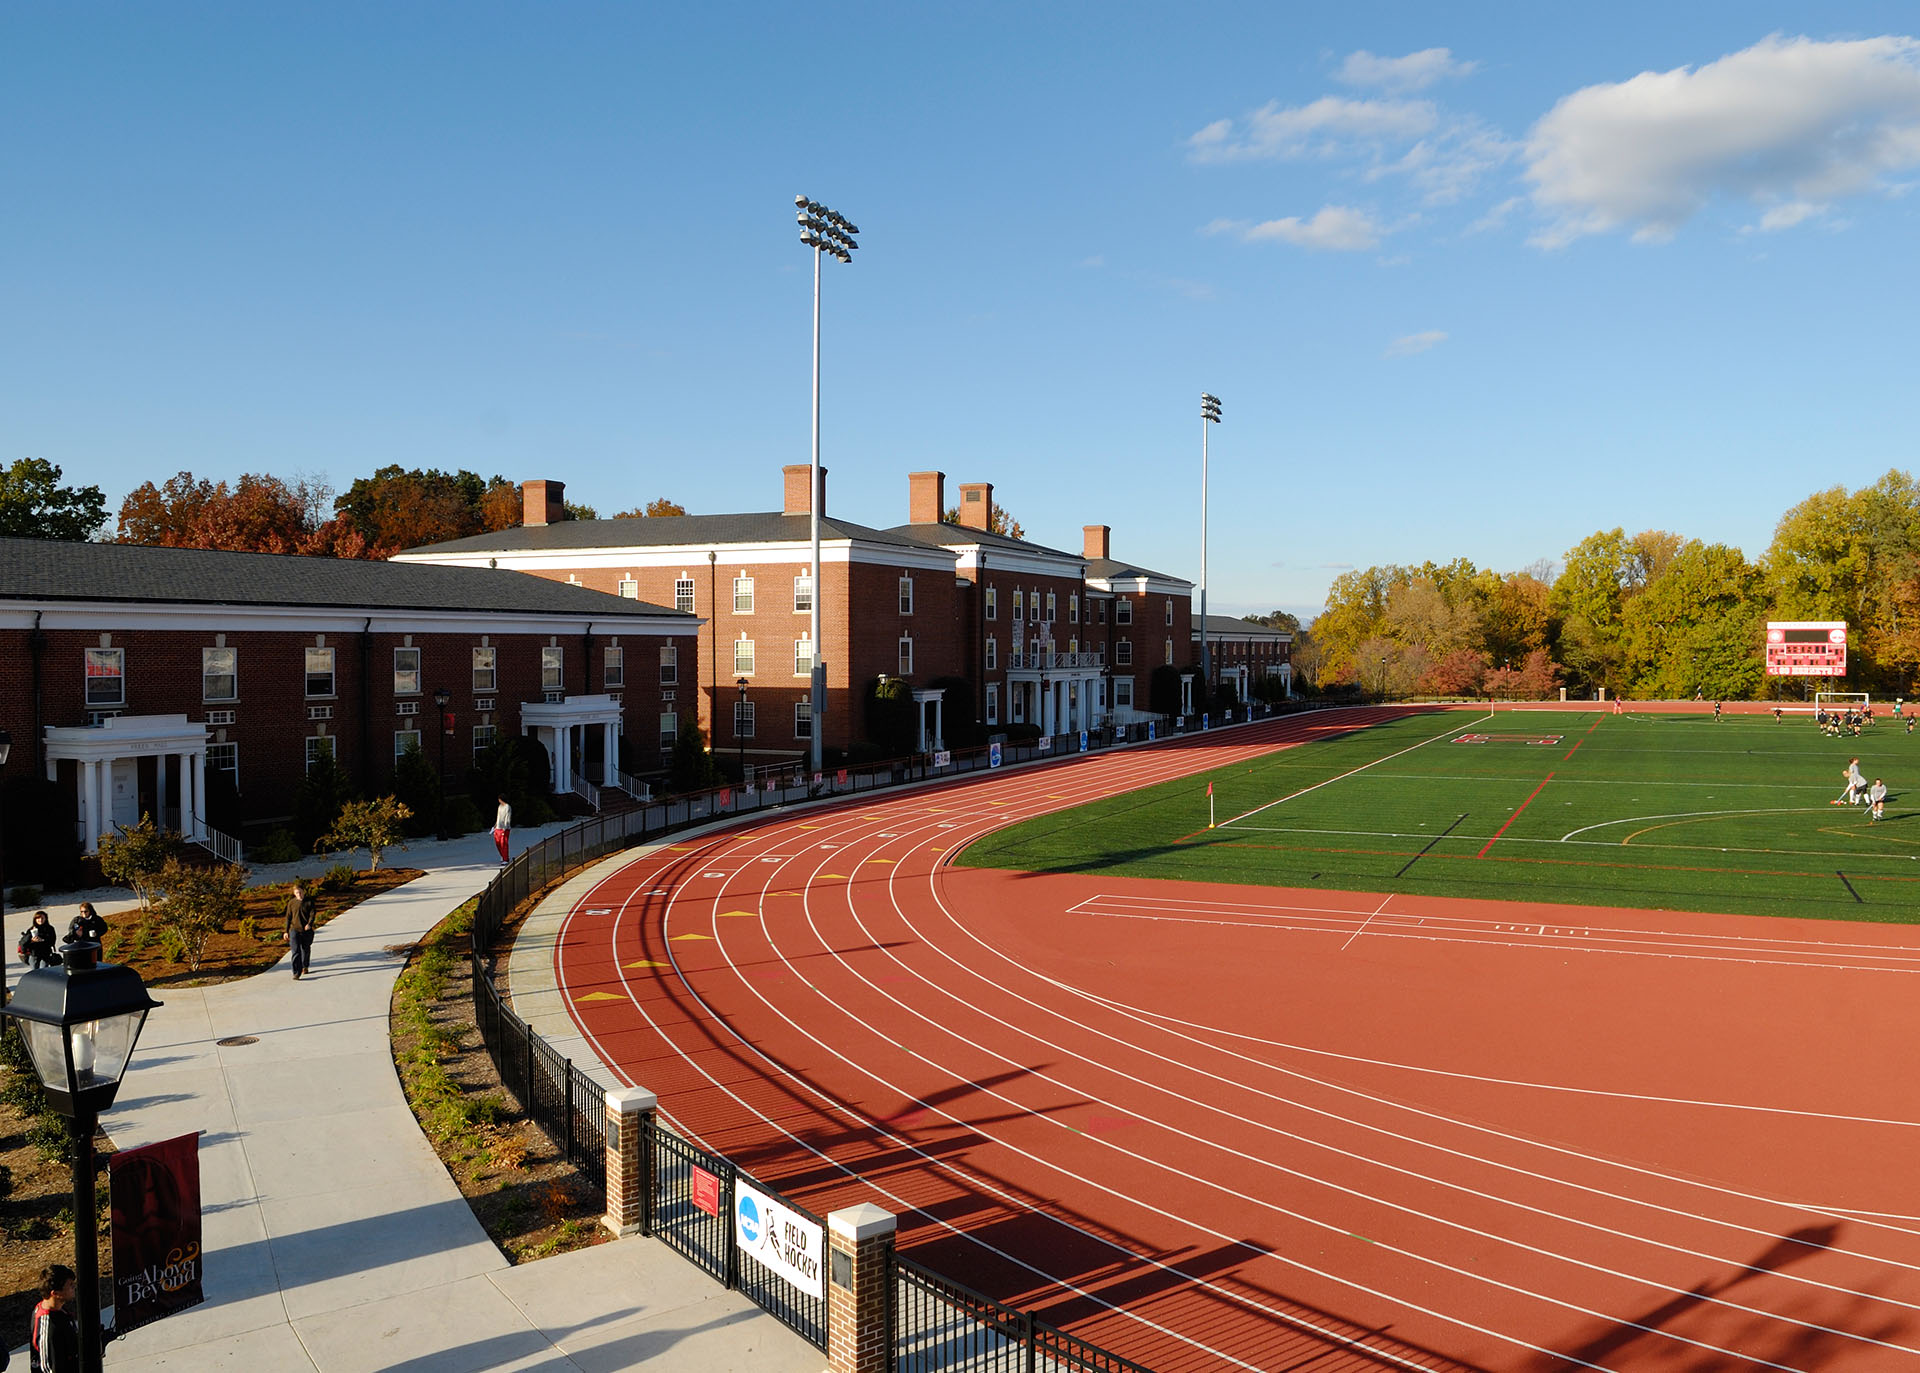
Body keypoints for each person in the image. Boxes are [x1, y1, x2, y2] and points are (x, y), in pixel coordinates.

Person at [29, 1263, 78, 1372]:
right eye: (70, 1285)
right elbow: (48, 1368)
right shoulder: (48, 1328)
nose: (74, 1287)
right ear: (55, 1293)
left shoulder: (58, 1308)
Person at [283, 878, 317, 980]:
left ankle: (305, 966)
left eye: (300, 892)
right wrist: (286, 931)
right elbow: (288, 917)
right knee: (295, 951)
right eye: (297, 893)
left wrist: (309, 924)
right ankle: (296, 973)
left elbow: (312, 914)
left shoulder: (309, 902)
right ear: (294, 893)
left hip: (306, 930)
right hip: (294, 930)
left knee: (305, 949)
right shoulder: (291, 903)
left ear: (303, 892)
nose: (299, 895)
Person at [492, 793, 512, 865]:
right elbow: (498, 817)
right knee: (498, 843)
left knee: (504, 843)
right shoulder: (500, 806)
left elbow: (507, 818)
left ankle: (505, 858)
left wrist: (505, 828)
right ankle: (502, 855)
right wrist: (495, 825)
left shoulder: (507, 807)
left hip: (505, 828)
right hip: (498, 827)